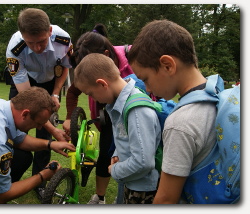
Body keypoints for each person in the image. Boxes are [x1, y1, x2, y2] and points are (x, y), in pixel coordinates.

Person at [128, 19, 217, 204]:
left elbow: (166, 200)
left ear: (167, 65)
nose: (147, 88)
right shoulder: (217, 92)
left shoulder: (180, 123)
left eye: (145, 78)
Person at [74, 53, 161, 204]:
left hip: (143, 189)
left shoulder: (136, 110)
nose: (94, 99)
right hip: (131, 181)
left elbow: (143, 162)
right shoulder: (119, 104)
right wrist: (117, 153)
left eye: (91, 94)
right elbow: (126, 137)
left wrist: (114, 170)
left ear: (102, 84)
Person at [63, 26, 135, 204]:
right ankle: (100, 197)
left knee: (130, 153)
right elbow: (73, 91)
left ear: (105, 55)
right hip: (108, 116)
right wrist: (68, 118)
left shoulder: (133, 58)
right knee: (107, 153)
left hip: (132, 113)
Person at [5, 8, 72, 198]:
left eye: (41, 41)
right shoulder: (14, 47)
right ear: (22, 37)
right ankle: (8, 179)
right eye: (30, 43)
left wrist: (56, 94)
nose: (37, 48)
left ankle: (40, 180)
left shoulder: (63, 39)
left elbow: (64, 68)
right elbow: (28, 102)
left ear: (50, 31)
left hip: (51, 82)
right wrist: (54, 129)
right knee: (16, 129)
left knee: (44, 138)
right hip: (26, 82)